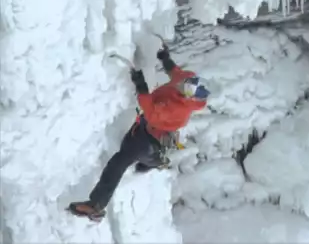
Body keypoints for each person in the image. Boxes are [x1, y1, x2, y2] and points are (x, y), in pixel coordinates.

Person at [67, 45, 209, 221]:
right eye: (186, 83)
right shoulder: (186, 82)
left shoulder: (177, 110)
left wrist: (140, 85)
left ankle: (96, 206)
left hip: (147, 140)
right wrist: (165, 59)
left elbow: (149, 108)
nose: (182, 84)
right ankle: (151, 163)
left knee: (119, 162)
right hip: (145, 129)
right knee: (135, 152)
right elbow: (176, 72)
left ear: (191, 98)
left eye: (186, 88)